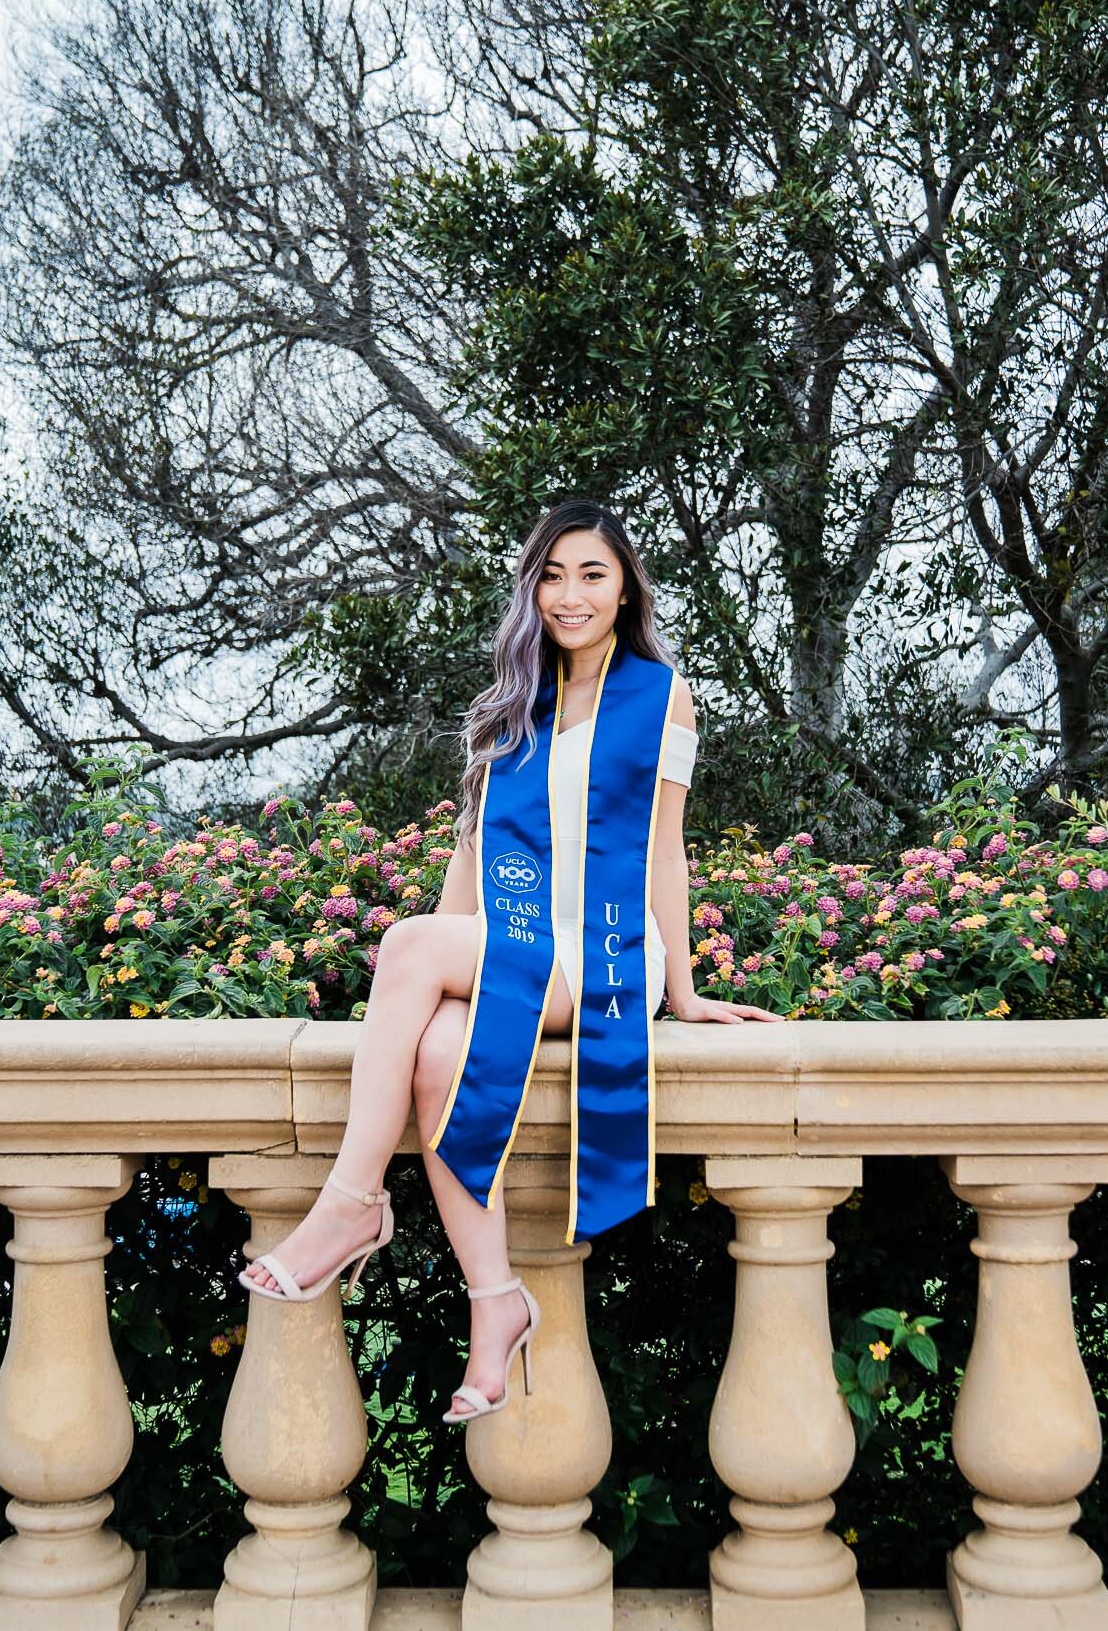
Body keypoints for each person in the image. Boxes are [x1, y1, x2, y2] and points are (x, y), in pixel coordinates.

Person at [235, 497, 784, 1422]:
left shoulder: (660, 693)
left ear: (624, 589)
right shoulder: (513, 704)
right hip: (518, 946)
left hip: (604, 955)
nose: (571, 594)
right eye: (553, 574)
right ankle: (497, 1305)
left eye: (592, 574)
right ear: (533, 587)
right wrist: (443, 989)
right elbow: (470, 855)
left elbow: (663, 846)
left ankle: (352, 1204)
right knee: (441, 1056)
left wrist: (684, 992)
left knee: (407, 942)